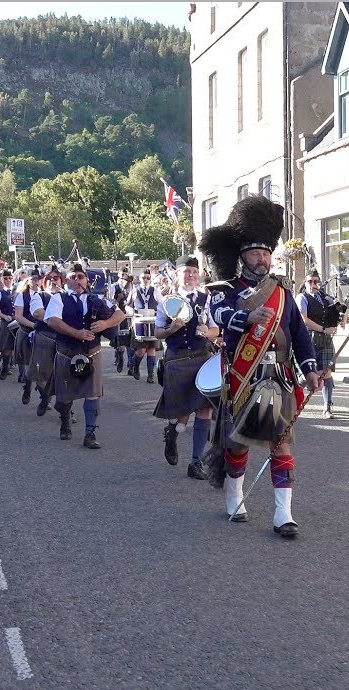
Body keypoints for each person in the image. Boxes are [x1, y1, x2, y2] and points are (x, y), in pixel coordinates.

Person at [202, 195, 320, 538]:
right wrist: (247, 317)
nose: (262, 259)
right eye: (255, 253)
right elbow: (218, 314)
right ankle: (234, 496)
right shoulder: (225, 290)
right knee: (238, 444)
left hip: (280, 376)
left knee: (280, 444)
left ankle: (283, 514)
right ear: (242, 256)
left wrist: (310, 369)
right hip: (243, 376)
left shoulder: (282, 293)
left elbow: (299, 334)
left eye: (266, 253)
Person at [45, 263, 125, 448]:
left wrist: (106, 324)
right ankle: (65, 421)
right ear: (66, 281)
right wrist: (76, 333)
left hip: (91, 352)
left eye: (80, 277)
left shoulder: (97, 300)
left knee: (93, 394)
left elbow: (120, 314)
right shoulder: (58, 298)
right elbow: (52, 321)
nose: (77, 280)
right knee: (65, 394)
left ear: (87, 280)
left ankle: (90, 433)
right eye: (73, 277)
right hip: (67, 352)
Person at [155, 255, 219, 477]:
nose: (191, 275)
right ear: (177, 274)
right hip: (177, 359)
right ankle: (172, 433)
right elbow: (158, 333)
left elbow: (215, 330)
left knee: (204, 409)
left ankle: (195, 463)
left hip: (202, 358)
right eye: (186, 271)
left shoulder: (206, 299)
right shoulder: (166, 301)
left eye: (194, 271)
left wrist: (208, 332)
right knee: (181, 414)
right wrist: (171, 329)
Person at [297, 270, 343, 418]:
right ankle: (295, 395)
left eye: (316, 281)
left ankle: (327, 407)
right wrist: (324, 329)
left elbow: (337, 311)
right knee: (310, 372)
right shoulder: (302, 298)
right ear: (305, 283)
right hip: (309, 338)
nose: (313, 284)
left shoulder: (325, 298)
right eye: (310, 281)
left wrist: (340, 317)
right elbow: (304, 320)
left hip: (326, 339)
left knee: (326, 372)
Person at [30, 270, 63, 417]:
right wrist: (60, 320)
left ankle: (66, 412)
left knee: (65, 377)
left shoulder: (67, 297)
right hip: (44, 338)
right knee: (42, 376)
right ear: (44, 282)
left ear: (61, 281)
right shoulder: (39, 296)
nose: (52, 280)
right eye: (49, 278)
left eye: (56, 278)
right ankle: (45, 398)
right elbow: (38, 313)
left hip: (65, 339)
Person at [13, 270, 43, 405]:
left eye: (38, 279)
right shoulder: (22, 296)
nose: (36, 282)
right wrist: (33, 325)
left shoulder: (45, 295)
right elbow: (18, 316)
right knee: (28, 365)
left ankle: (44, 397)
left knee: (45, 366)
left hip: (43, 334)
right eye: (33, 279)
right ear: (28, 281)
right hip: (26, 332)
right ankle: (27, 387)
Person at [128, 271, 161, 382]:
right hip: (139, 322)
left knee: (152, 348)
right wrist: (131, 311)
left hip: (152, 321)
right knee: (141, 350)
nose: (146, 280)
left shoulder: (155, 290)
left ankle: (150, 375)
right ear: (139, 279)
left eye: (148, 278)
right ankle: (134, 367)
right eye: (143, 278)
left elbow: (162, 304)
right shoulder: (134, 290)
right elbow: (128, 305)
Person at [0, 270, 17, 378]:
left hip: (18, 321)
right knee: (5, 345)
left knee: (19, 345)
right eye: (5, 278)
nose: (8, 280)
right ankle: (4, 366)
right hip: (6, 321)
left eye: (10, 278)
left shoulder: (18, 291)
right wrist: (5, 316)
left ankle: (22, 373)